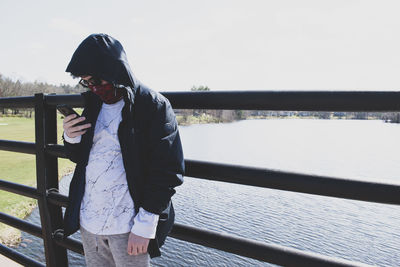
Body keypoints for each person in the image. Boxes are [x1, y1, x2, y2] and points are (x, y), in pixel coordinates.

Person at [61, 33, 185, 267]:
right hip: (90, 223)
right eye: (86, 82)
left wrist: (146, 224)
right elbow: (79, 157)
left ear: (114, 70)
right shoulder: (93, 104)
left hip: (129, 227)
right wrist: (71, 136)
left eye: (96, 81)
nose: (93, 88)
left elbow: (168, 170)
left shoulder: (153, 106)